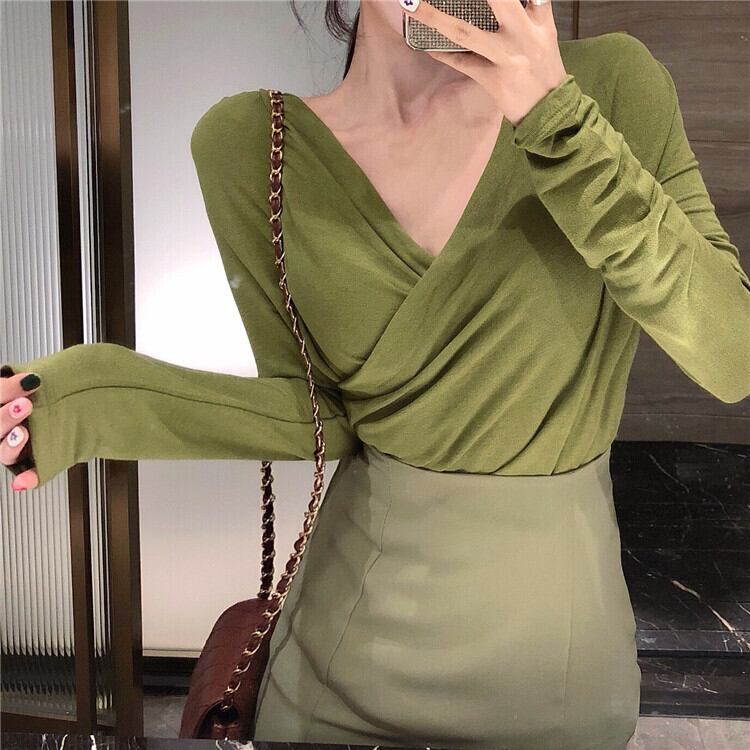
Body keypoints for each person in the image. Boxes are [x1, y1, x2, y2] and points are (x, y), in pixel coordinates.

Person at [2, 1, 749, 747]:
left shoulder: (612, 88)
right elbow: (314, 416)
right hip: (339, 666)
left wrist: (557, 122)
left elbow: (733, 353)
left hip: (556, 670)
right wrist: (90, 393)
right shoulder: (256, 146)